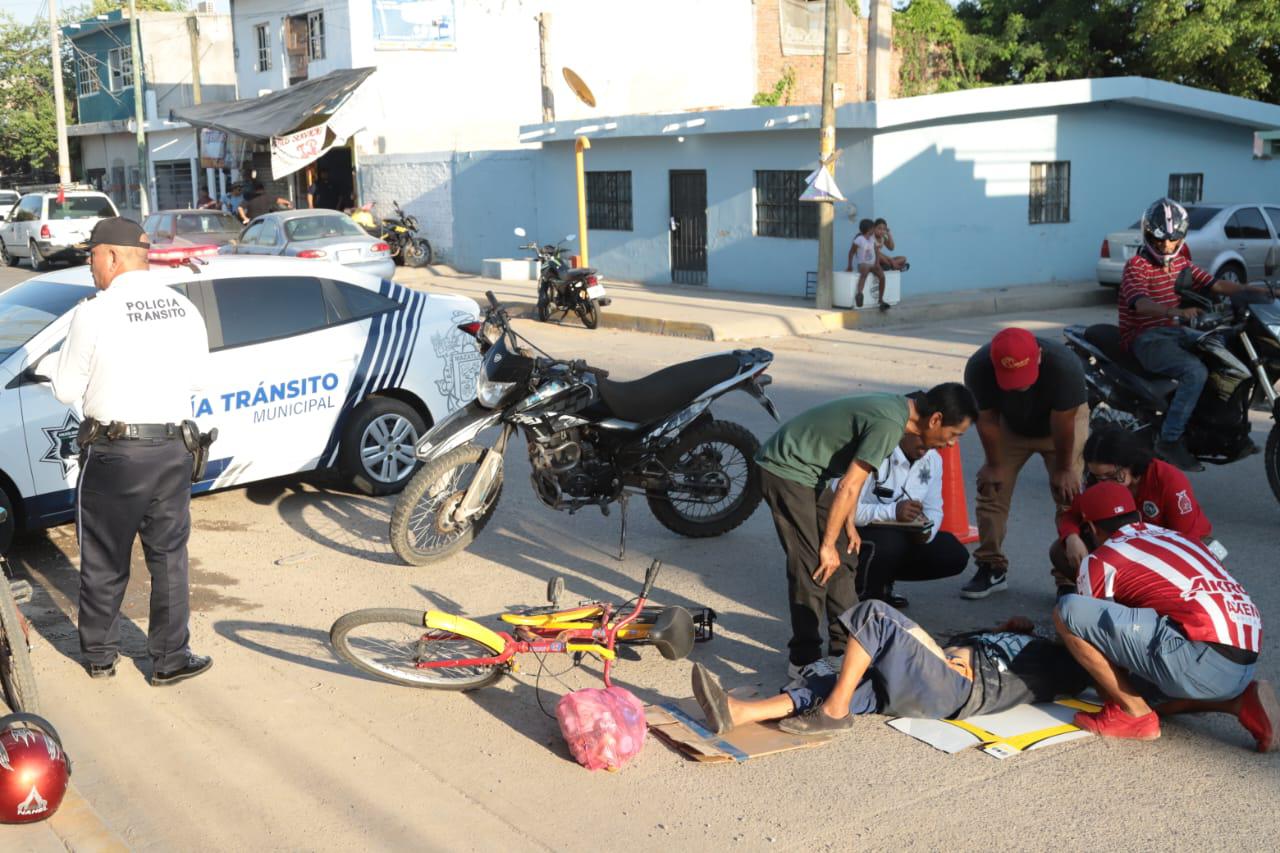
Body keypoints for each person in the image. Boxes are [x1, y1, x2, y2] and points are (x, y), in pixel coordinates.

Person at [36, 218, 213, 686]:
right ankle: (170, 659)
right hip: (174, 448)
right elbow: (197, 380)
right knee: (169, 558)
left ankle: (99, 656)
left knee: (104, 556)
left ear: (112, 257)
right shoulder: (182, 307)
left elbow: (66, 389)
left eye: (91, 256)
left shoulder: (94, 313)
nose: (89, 266)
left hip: (116, 453)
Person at [755, 383, 978, 685]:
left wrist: (845, 528)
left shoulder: (901, 415)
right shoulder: (890, 423)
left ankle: (844, 647)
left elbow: (852, 484)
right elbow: (849, 485)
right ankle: (803, 659)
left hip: (816, 474)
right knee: (813, 564)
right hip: (787, 469)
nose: (952, 445)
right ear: (935, 419)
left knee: (846, 555)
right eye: (955, 434)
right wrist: (827, 544)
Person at [1054, 482, 1276, 750]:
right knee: (1143, 686)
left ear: (1090, 529)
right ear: (1136, 516)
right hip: (1243, 662)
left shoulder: (1100, 560)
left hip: (1199, 659)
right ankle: (1240, 702)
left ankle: (1135, 716)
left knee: (1067, 612)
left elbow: (1099, 644)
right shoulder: (1174, 536)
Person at [689, 600, 1088, 736]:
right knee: (841, 679)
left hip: (952, 687)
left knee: (874, 616)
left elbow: (1090, 671)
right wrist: (1004, 631)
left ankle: (835, 712)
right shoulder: (1033, 641)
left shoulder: (1064, 663)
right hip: (931, 686)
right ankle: (738, 713)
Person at [1120, 198, 1270, 471]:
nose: (1166, 246)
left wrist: (1262, 292)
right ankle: (1169, 439)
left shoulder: (1180, 264)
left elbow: (1215, 284)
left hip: (1175, 332)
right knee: (1194, 372)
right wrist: (1173, 312)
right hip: (1145, 338)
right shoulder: (1137, 266)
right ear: (1148, 235)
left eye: (1172, 240)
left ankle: (1221, 431)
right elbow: (1140, 304)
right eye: (1159, 240)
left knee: (1226, 355)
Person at [961, 327, 1088, 599]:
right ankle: (990, 567)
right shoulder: (979, 368)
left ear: (1039, 356)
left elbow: (1063, 423)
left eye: (1023, 375)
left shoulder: (1065, 367)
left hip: (1061, 428)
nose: (1019, 384)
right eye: (1010, 378)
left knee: (1069, 497)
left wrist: (1065, 468)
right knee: (992, 489)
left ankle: (1068, 577)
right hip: (1010, 425)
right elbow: (987, 419)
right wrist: (994, 464)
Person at [1049, 427, 1213, 595]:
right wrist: (1071, 537)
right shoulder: (1096, 482)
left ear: (1131, 463)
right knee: (1061, 551)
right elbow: (1072, 514)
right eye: (1099, 477)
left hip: (1174, 547)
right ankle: (1100, 592)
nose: (1105, 484)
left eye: (1113, 476)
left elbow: (1186, 538)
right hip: (1126, 547)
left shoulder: (1167, 479)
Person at [848, 431, 969, 607]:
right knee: (890, 542)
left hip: (898, 536)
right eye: (952, 433)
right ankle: (862, 599)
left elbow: (934, 509)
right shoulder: (876, 451)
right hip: (855, 534)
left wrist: (925, 531)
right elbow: (843, 510)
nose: (951, 443)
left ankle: (883, 584)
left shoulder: (933, 459)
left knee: (952, 551)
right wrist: (893, 511)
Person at [845, 218, 886, 310]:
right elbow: (851, 252)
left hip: (873, 264)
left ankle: (880, 299)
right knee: (864, 273)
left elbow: (876, 251)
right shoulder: (859, 239)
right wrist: (849, 265)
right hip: (862, 263)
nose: (874, 230)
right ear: (869, 229)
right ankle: (859, 294)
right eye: (873, 228)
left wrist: (877, 263)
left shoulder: (872, 239)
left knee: (882, 276)